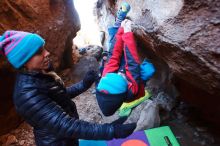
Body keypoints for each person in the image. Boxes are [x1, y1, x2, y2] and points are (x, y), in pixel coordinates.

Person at [0, 29, 137, 145]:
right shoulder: (26, 94)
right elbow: (64, 125)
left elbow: (60, 97)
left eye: (44, 48)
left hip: (66, 138)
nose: (47, 53)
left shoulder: (40, 74)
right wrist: (111, 131)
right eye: (38, 52)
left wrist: (84, 84)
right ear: (23, 61)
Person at [96, 2, 155, 116]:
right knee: (148, 70)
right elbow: (132, 62)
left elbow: (114, 55)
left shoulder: (106, 77)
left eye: (114, 75)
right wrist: (128, 34)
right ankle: (147, 60)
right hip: (132, 78)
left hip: (122, 73)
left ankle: (118, 21)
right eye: (119, 77)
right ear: (125, 86)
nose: (118, 74)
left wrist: (122, 30)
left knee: (113, 42)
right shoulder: (132, 89)